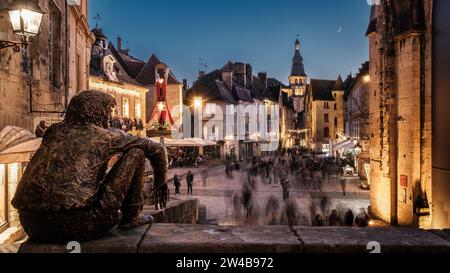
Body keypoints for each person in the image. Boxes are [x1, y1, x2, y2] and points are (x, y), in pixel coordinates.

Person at [11, 90, 168, 244]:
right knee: (137, 152)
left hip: (31, 224)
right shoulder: (107, 136)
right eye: (109, 111)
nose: (110, 117)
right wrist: (161, 182)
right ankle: (131, 217)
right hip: (78, 223)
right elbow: (158, 150)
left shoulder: (53, 131)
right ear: (98, 112)